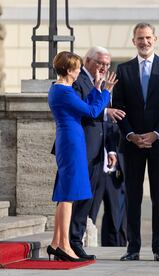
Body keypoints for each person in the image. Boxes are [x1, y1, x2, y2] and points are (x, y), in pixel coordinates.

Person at [113, 22, 159, 262]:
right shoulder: (123, 69)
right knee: (132, 197)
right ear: (134, 41)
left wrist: (156, 133)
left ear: (155, 39)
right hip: (131, 144)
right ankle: (133, 248)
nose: (145, 42)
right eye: (140, 38)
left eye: (148, 37)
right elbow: (118, 106)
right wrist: (130, 134)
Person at [47, 51, 116, 262]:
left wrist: (96, 88)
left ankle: (56, 242)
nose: (79, 71)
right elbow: (92, 111)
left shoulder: (60, 89)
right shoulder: (63, 91)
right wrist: (106, 92)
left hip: (71, 139)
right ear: (68, 70)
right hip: (71, 142)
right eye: (77, 68)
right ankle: (65, 245)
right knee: (68, 196)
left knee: (64, 195)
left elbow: (87, 107)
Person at [68, 46, 126, 257]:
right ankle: (71, 240)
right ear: (87, 61)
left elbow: (109, 123)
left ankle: (76, 240)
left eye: (108, 64)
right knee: (76, 198)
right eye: (100, 63)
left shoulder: (103, 83)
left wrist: (111, 150)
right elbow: (84, 110)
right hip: (80, 146)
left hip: (98, 153)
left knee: (87, 199)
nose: (104, 67)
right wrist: (105, 109)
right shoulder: (76, 79)